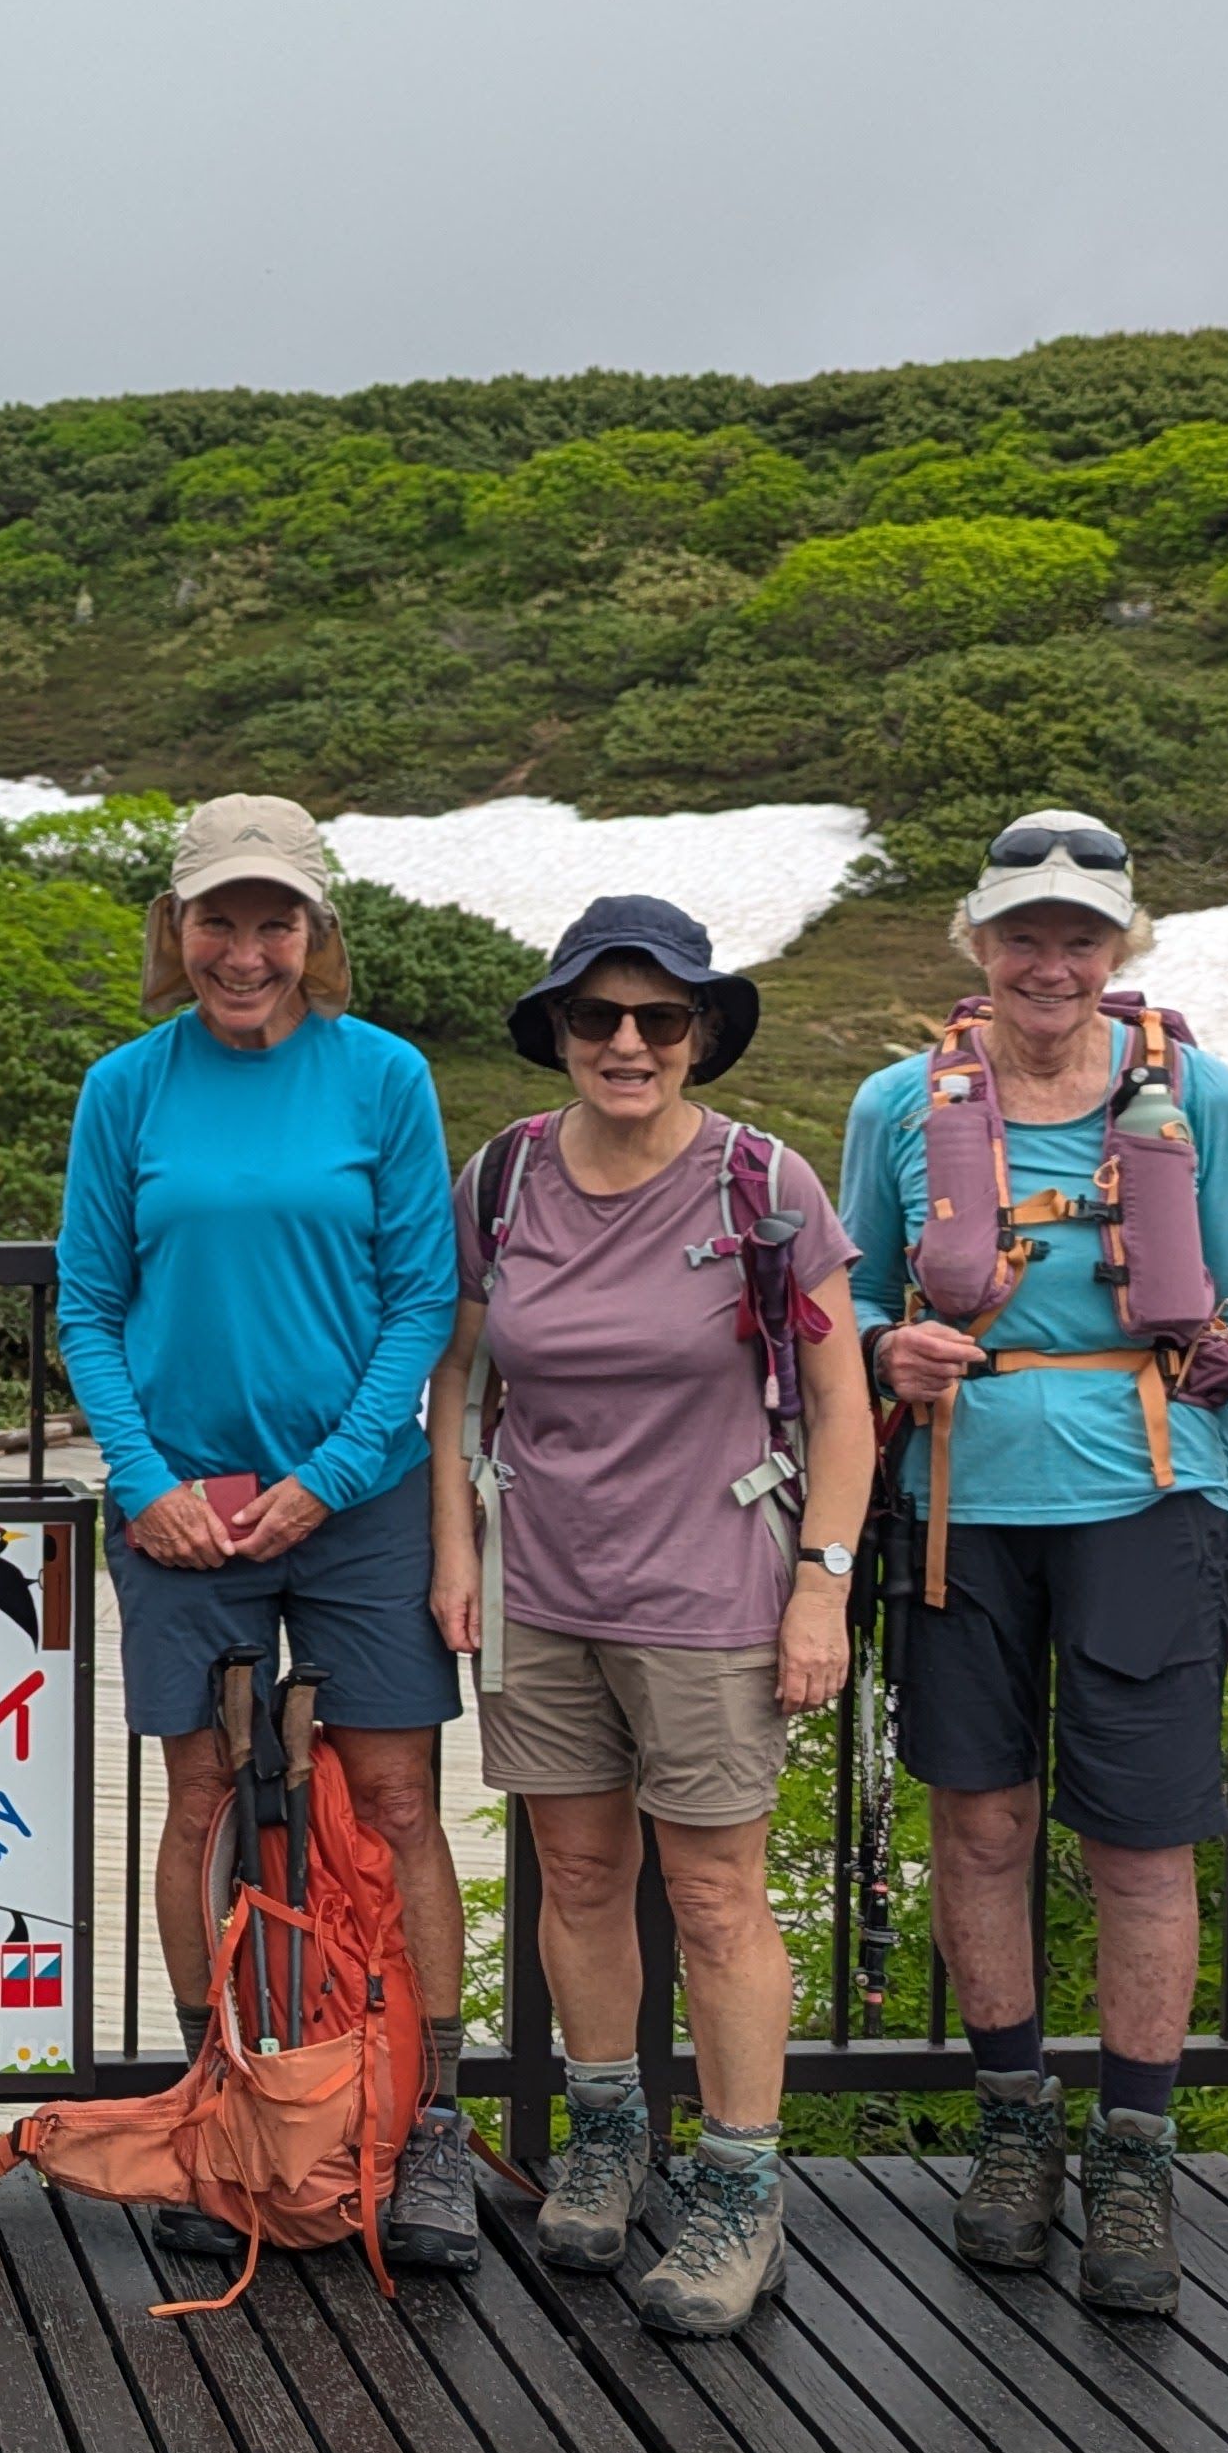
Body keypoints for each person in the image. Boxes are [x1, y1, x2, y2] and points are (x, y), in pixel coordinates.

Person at [842, 809, 1228, 2318]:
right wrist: (893, 1350)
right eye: (1025, 932)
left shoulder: (1193, 1094)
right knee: (983, 1826)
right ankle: (1015, 2124)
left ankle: (1135, 2145)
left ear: (1118, 952)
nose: (1051, 960)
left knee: (1142, 1840)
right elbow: (851, 1308)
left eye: (1080, 937)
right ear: (980, 942)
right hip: (959, 1501)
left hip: (1151, 1501)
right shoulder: (901, 1101)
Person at [430, 897, 869, 2336]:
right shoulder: (500, 1178)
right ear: (559, 1032)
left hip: (711, 1596)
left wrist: (825, 1580)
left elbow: (843, 1405)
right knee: (575, 1872)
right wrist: (458, 1556)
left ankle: (743, 2185)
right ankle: (607, 2134)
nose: (628, 1043)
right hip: (543, 1587)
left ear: (699, 1037)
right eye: (598, 1018)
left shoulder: (767, 1185)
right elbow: (459, 1384)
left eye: (660, 1019)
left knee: (718, 1894)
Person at [58, 795, 477, 2272]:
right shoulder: (126, 1089)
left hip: (351, 1506)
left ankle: (427, 2128)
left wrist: (330, 1471)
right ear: (177, 931)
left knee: (402, 1805)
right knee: (201, 1806)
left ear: (316, 932)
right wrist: (148, 1476)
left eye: (273, 920)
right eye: (218, 920)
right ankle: (218, 2105)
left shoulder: (384, 1079)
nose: (246, 950)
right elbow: (89, 1306)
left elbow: (421, 1298)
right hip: (175, 1505)